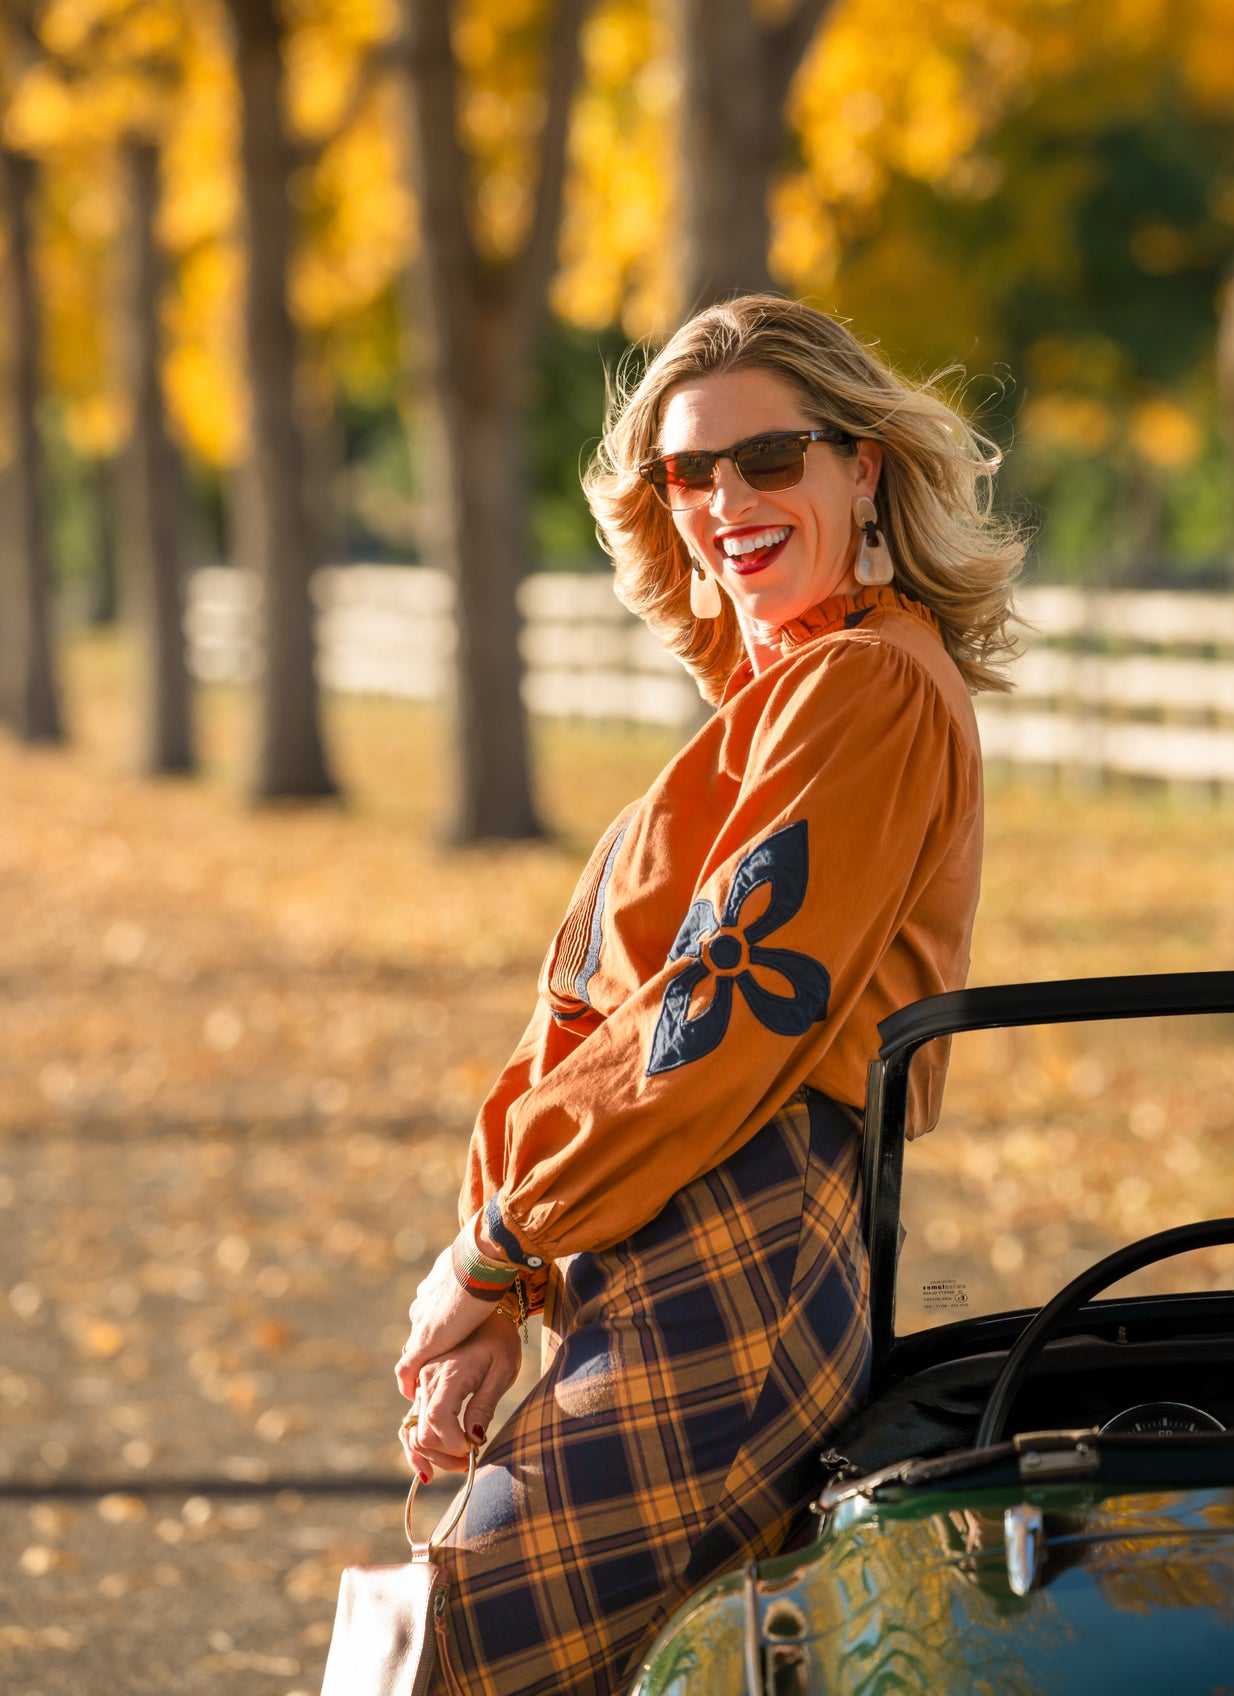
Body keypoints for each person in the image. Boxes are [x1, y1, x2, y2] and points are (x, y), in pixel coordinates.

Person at [394, 294, 1024, 1694]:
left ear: (863, 468)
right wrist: (509, 1279)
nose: (726, 499)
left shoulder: (867, 685)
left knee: (452, 1655)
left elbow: (709, 1030)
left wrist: (498, 1248)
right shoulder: (789, 690)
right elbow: (608, 1033)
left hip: (739, 1265)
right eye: (691, 470)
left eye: (769, 458)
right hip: (645, 1253)